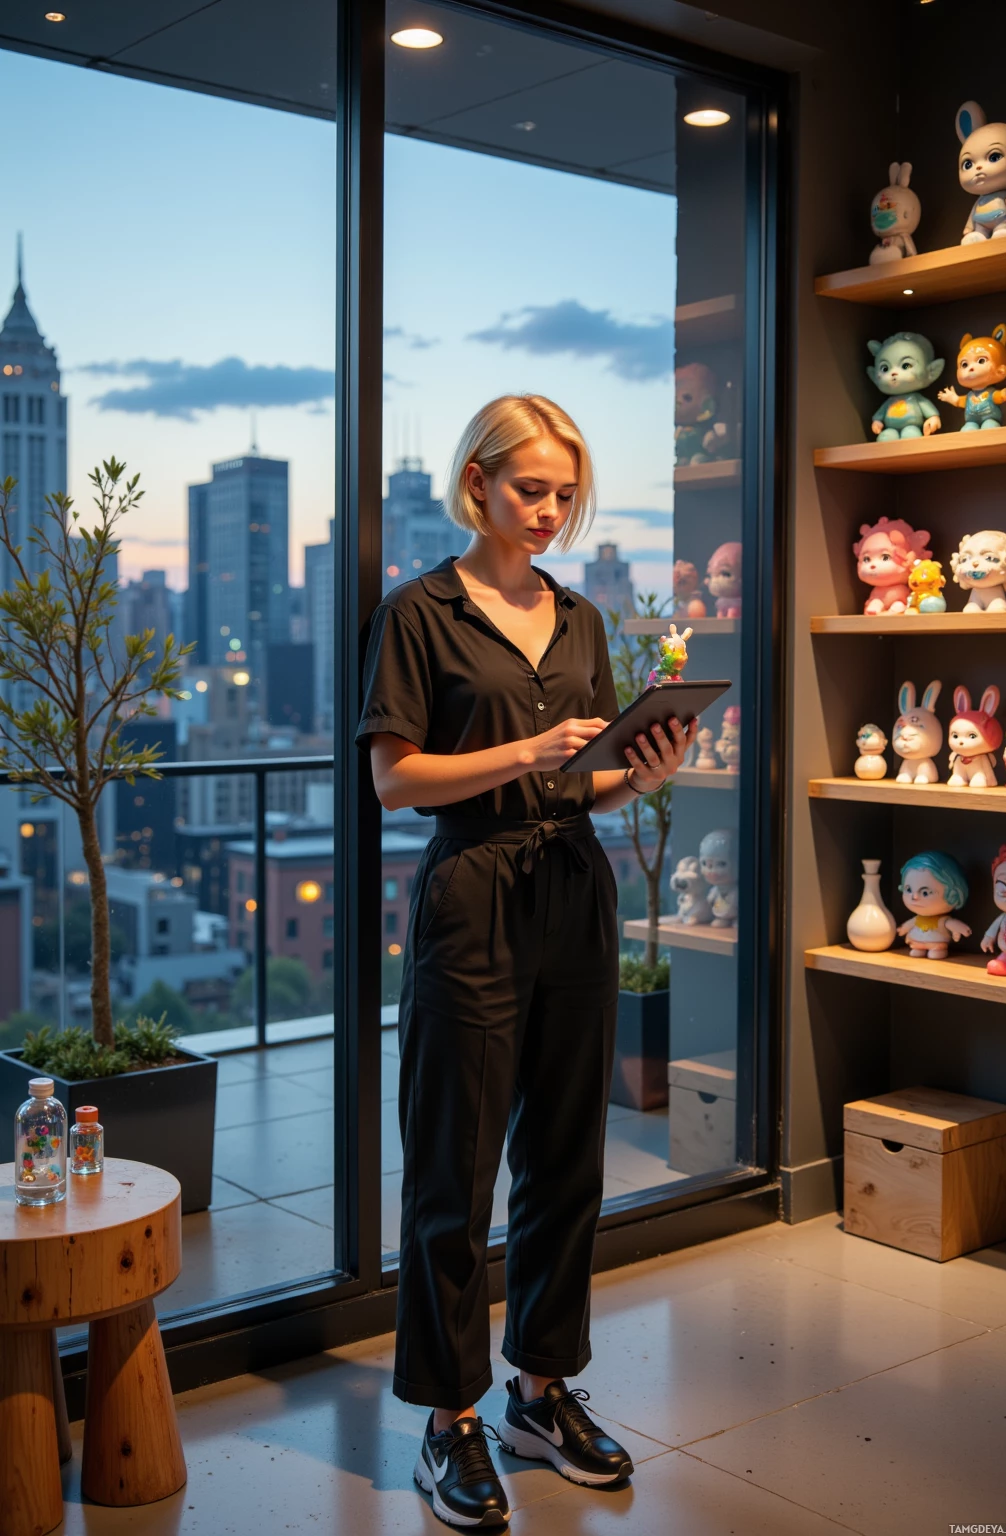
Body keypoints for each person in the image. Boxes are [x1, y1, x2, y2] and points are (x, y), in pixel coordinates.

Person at [357, 395, 696, 1529]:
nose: (550, 510)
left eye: (565, 493)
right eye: (530, 489)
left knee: (565, 1155)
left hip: (574, 889)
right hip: (471, 894)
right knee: (452, 1170)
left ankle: (539, 1394)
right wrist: (523, 749)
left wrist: (640, 772)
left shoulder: (581, 618)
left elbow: (584, 780)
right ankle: (448, 1419)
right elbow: (395, 780)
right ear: (478, 485)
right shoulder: (418, 613)